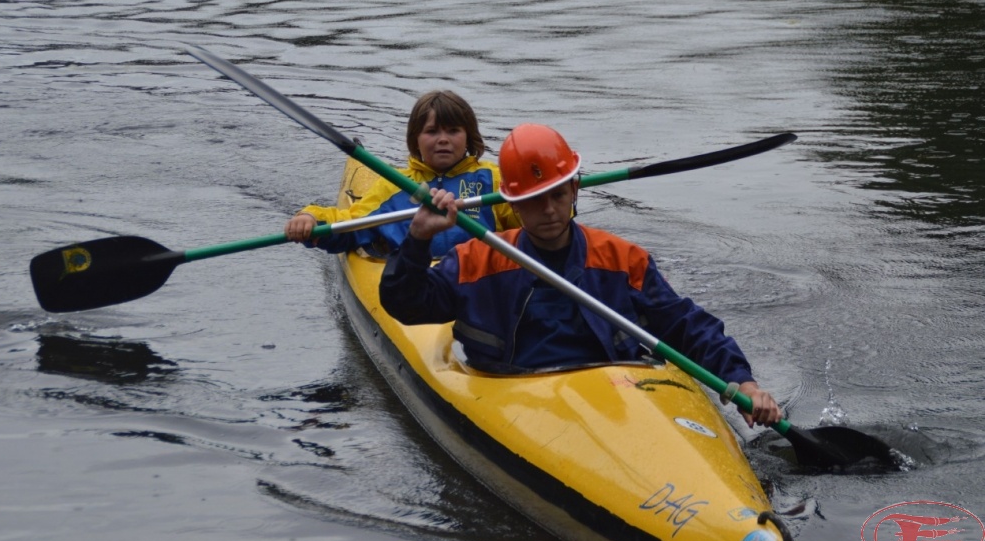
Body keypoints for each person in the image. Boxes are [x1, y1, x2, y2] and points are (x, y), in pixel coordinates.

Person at [379, 123, 782, 428]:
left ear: (574, 190)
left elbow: (687, 325)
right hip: (519, 401)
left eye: (557, 195)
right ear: (514, 205)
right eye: (535, 201)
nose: (550, 210)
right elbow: (405, 305)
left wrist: (741, 382)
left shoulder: (623, 260)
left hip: (615, 401)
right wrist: (416, 240)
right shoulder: (476, 260)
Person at [284, 90, 519, 257]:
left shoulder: (493, 178)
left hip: (476, 276)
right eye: (432, 131)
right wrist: (312, 217)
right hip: (413, 280)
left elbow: (528, 221)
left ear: (468, 137)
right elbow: (351, 224)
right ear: (416, 141)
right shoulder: (394, 186)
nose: (443, 139)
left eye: (453, 130)